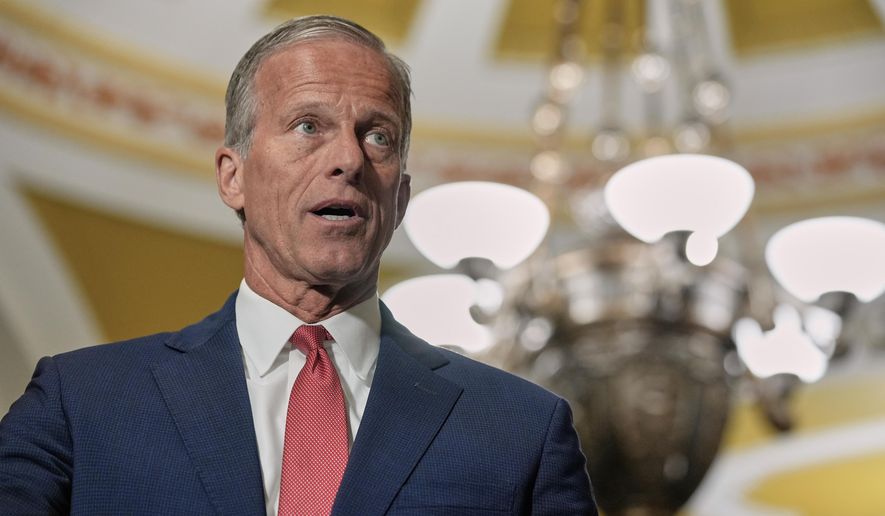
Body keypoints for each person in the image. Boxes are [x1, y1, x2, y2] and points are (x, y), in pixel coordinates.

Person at [0, 15, 597, 515]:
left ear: (402, 197)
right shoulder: (81, 403)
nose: (348, 159)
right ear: (232, 177)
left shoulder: (521, 432)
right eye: (308, 125)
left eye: (379, 137)